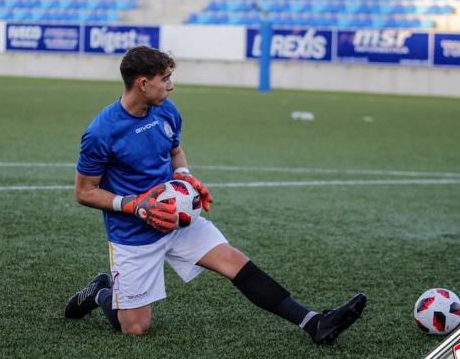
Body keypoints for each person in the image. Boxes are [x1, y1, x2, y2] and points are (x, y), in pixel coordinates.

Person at [64, 45, 366, 344]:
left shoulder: (165, 111)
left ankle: (314, 323)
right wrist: (135, 206)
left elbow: (175, 151)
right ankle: (102, 291)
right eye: (165, 78)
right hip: (132, 234)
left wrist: (186, 180)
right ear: (143, 83)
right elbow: (85, 192)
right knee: (135, 328)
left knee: (233, 261)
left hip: (178, 219)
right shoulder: (101, 132)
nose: (172, 85)